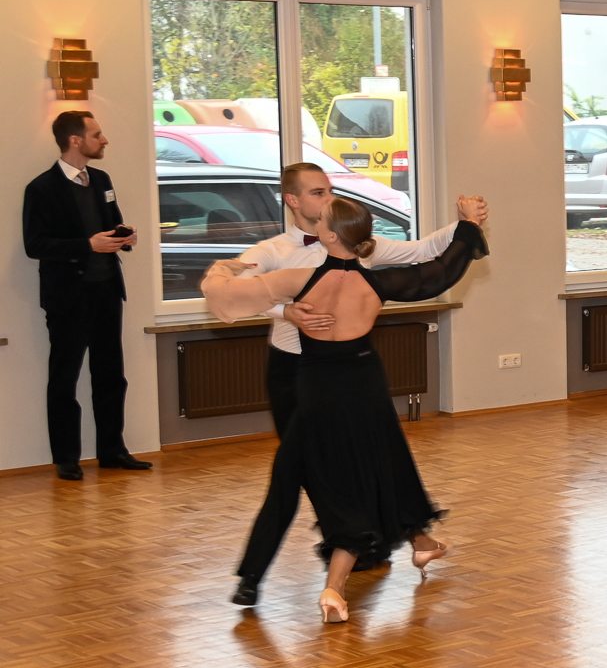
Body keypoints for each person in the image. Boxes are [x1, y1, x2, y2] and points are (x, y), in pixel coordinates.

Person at [200, 197, 484, 623]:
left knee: (298, 479)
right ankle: (416, 544)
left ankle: (278, 580)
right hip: (366, 386)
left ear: (330, 236)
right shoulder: (378, 283)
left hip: (317, 391)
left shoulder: (298, 279)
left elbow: (226, 296)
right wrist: (467, 225)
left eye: (323, 220)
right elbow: (439, 272)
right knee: (382, 463)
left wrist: (229, 272)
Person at [21, 111, 150, 481]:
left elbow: (111, 223)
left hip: (107, 291)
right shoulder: (41, 188)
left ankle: (112, 450)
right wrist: (87, 245)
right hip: (68, 298)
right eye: (97, 134)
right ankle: (66, 457)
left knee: (111, 375)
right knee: (64, 379)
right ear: (75, 140)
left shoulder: (102, 180)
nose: (104, 140)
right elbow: (35, 245)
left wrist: (124, 237)